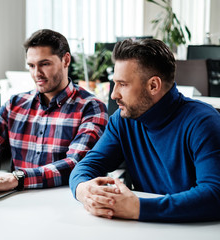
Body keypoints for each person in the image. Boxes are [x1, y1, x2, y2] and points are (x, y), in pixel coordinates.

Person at [69, 38, 220, 222]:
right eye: (114, 83)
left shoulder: (203, 122)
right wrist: (85, 190)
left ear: (153, 85)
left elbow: (214, 194)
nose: (114, 94)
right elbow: (86, 166)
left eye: (123, 84)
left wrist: (137, 208)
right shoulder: (123, 120)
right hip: (145, 228)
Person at [0, 29, 108, 192]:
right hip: (16, 197)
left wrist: (18, 178)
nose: (36, 73)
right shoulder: (15, 104)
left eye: (44, 64)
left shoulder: (91, 107)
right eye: (31, 66)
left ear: (66, 60)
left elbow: (77, 164)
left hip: (63, 201)